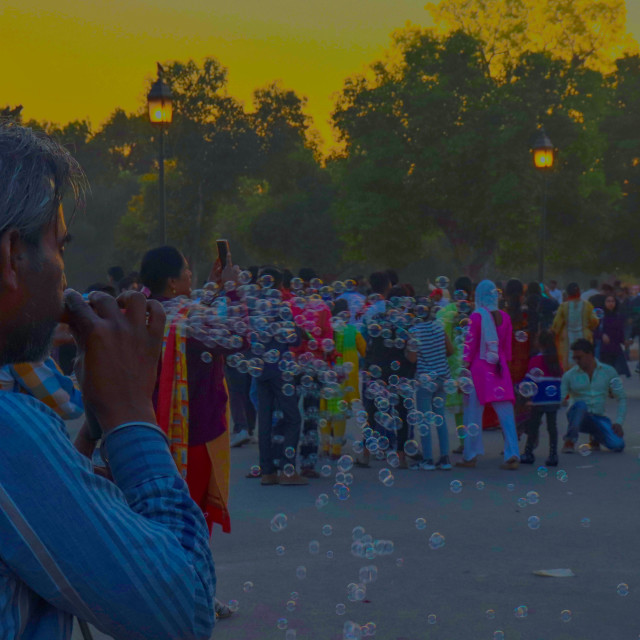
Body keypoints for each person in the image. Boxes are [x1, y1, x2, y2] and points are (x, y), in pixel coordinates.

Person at [0, 122, 215, 638]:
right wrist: (132, 413)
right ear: (11, 257)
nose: (65, 277)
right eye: (61, 247)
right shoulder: (8, 429)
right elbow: (182, 613)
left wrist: (93, 431)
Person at [455, 280, 520, 470]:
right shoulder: (505, 318)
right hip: (499, 368)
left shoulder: (476, 316)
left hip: (478, 370)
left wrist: (462, 372)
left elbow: (469, 347)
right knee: (506, 414)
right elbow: (507, 350)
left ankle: (471, 456)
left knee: (473, 413)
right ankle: (513, 454)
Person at [406, 305, 454, 470]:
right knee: (440, 418)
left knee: (425, 420)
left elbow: (412, 359)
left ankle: (427, 460)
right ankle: (445, 458)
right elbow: (451, 349)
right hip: (443, 377)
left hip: (425, 380)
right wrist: (438, 358)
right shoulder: (439, 327)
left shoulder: (414, 331)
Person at [560, 339, 625, 453]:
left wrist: (619, 422)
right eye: (574, 358)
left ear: (589, 354)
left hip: (598, 417)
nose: (576, 361)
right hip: (577, 416)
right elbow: (560, 398)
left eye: (579, 357)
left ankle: (595, 436)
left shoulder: (609, 371)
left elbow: (621, 397)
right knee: (580, 405)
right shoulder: (569, 375)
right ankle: (570, 440)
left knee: (618, 445)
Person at [321, 299, 366, 458]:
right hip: (343, 380)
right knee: (339, 415)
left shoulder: (326, 330)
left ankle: (325, 447)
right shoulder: (352, 331)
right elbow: (365, 351)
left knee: (325, 413)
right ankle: (336, 450)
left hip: (326, 376)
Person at [437, 276, 474, 455]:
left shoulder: (447, 311)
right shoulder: (476, 312)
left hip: (453, 362)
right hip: (473, 361)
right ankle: (473, 443)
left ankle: (464, 442)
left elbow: (441, 336)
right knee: (472, 404)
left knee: (459, 407)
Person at [519, 330, 563, 466]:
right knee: (552, 426)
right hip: (553, 398)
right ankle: (553, 454)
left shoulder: (536, 360)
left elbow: (529, 381)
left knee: (533, 426)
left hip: (538, 399)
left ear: (540, 343)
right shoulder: (556, 360)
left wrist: (524, 394)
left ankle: (528, 452)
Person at [552, 282, 599, 371]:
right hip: (584, 336)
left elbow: (556, 325)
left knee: (569, 360)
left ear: (567, 293)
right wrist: (589, 327)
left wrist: (553, 333)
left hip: (567, 338)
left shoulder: (563, 306)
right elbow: (594, 321)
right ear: (579, 292)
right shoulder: (587, 305)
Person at [594, 294, 630, 377]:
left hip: (616, 349)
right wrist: (602, 335)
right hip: (604, 349)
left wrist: (624, 341)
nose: (610, 303)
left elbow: (620, 332)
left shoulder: (618, 316)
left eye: (612, 301)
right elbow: (594, 330)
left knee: (615, 374)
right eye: (608, 301)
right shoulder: (600, 316)